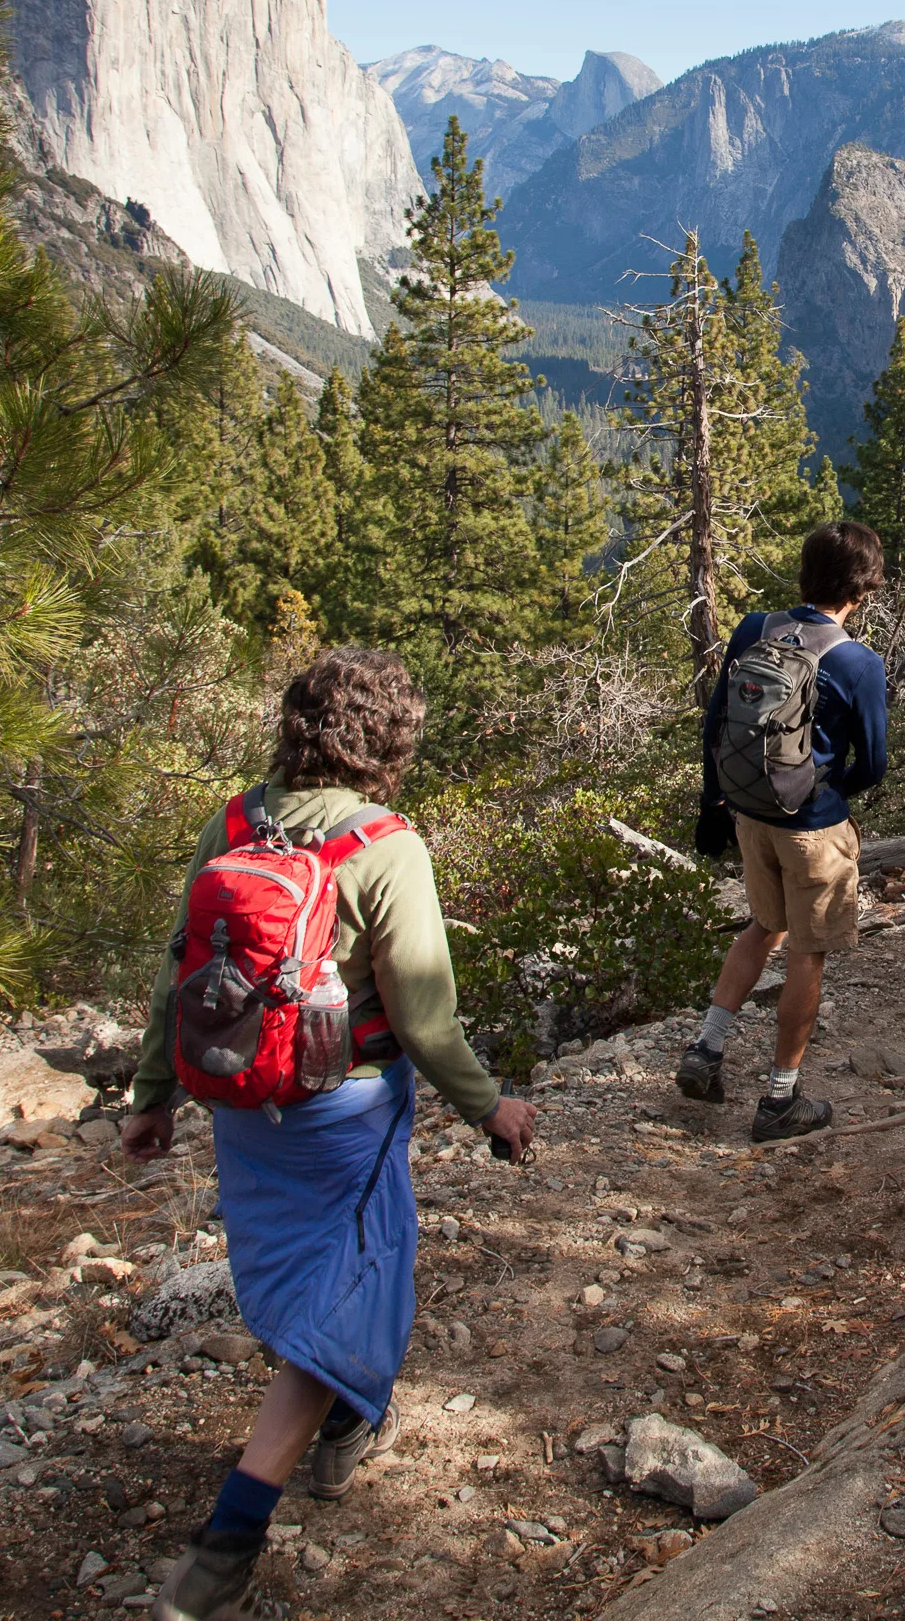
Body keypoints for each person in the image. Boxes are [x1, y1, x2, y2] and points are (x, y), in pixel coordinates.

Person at [122, 649, 535, 1621]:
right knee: (346, 1295)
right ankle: (229, 1537)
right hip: (341, 1110)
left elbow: (181, 970)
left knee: (323, 1285)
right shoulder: (385, 845)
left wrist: (150, 1094)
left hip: (243, 1109)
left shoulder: (233, 821)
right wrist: (492, 1107)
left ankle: (348, 1421)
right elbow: (425, 1018)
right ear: (390, 743)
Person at [680, 521, 891, 1142]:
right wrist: (825, 792)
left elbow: (715, 723)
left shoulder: (754, 629)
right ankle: (779, 1099)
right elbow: (873, 765)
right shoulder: (857, 663)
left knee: (763, 925)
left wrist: (713, 803)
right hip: (812, 829)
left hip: (750, 815)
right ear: (863, 587)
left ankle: (707, 1048)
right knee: (807, 950)